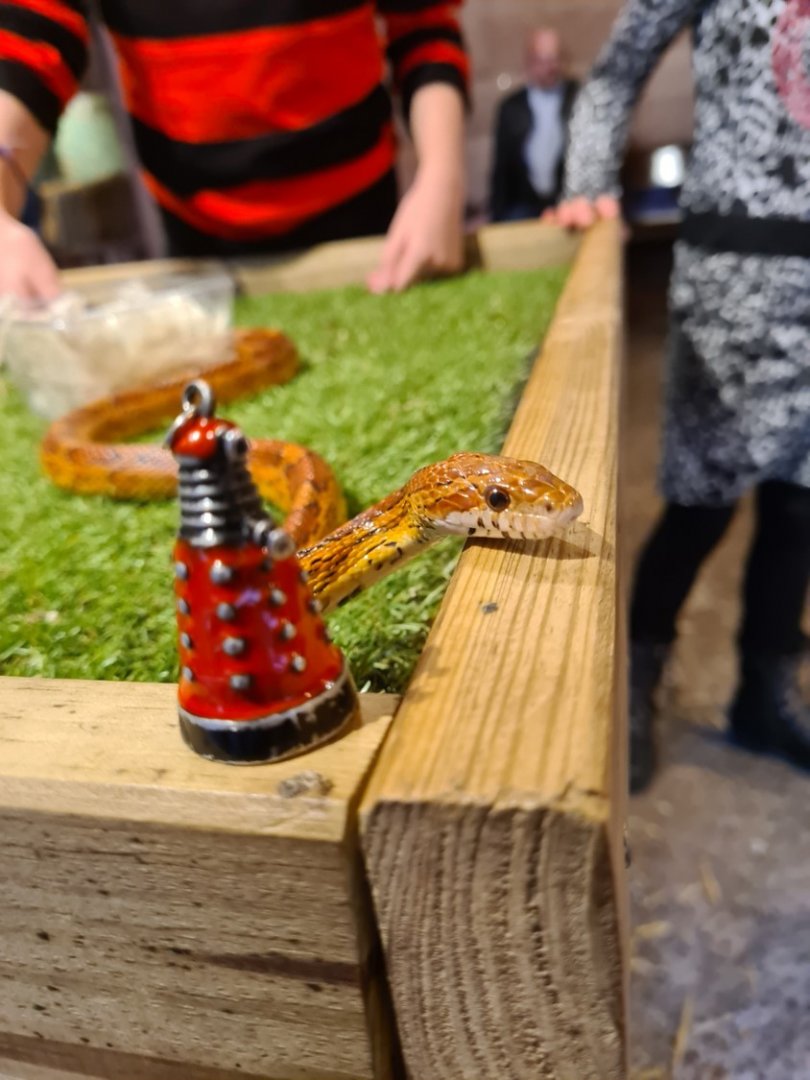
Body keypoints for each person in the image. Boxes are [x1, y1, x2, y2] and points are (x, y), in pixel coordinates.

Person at [547, 0, 810, 792]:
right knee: (702, 506)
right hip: (733, 275)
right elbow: (617, 69)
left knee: (801, 507)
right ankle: (634, 689)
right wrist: (590, 187)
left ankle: (763, 696)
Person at [0, 1, 469, 299]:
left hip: (368, 228)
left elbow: (424, 25)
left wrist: (441, 174)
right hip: (195, 236)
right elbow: (31, 41)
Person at [489, 28, 578, 222]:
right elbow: (501, 169)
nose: (550, 67)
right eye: (543, 60)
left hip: (568, 202)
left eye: (555, 59)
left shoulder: (577, 98)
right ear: (529, 62)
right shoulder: (511, 107)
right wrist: (496, 217)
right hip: (524, 205)